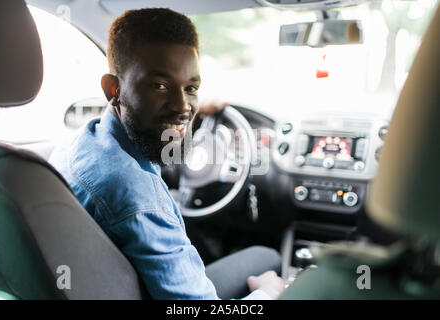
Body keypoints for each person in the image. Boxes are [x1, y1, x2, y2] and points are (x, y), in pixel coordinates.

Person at [49, 8, 284, 300]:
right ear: (114, 89)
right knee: (268, 261)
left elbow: (174, 117)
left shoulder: (83, 141)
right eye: (159, 85)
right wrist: (267, 295)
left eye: (191, 87)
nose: (183, 106)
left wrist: (181, 105)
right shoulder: (138, 197)